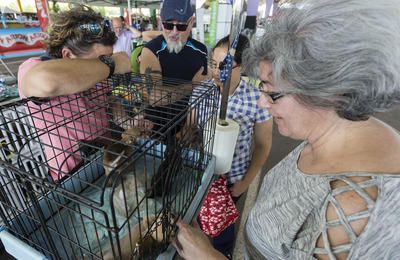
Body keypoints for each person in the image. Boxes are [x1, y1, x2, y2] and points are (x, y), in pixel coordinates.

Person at [174, 0, 400, 259]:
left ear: (328, 92)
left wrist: (207, 256)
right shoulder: (326, 138)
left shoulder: (357, 207)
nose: (261, 101)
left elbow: (262, 144)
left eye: (272, 92)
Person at [18, 5, 131, 180]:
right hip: (71, 177)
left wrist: (128, 122)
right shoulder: (33, 67)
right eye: (100, 61)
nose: (103, 68)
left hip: (107, 163)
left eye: (108, 58)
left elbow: (108, 102)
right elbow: (43, 80)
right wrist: (112, 64)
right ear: (67, 55)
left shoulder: (98, 75)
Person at [200, 34, 272, 258]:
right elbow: (189, 129)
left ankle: (223, 253)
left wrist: (245, 183)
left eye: (224, 66)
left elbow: (262, 145)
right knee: (199, 219)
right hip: (201, 175)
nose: (216, 71)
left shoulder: (256, 100)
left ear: (242, 66)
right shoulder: (201, 92)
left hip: (233, 179)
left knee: (223, 225)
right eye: (213, 63)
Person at [139, 0, 208, 82]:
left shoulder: (201, 50)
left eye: (181, 25)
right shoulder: (151, 50)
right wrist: (192, 85)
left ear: (192, 22)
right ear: (161, 22)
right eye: (168, 25)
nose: (174, 32)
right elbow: (154, 94)